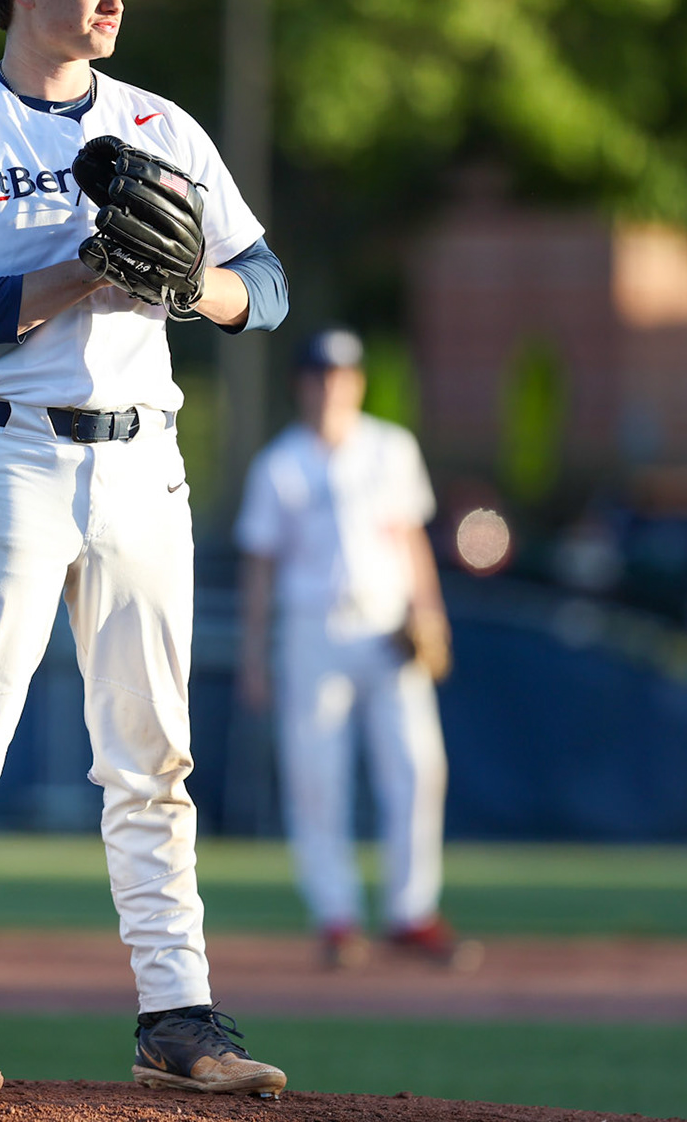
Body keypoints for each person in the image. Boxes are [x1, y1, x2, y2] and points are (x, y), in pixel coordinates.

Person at [0, 0, 290, 1103]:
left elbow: (266, 288)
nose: (112, 2)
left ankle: (177, 1014)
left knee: (153, 758)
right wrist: (84, 269)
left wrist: (190, 285)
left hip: (142, 463)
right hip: (9, 452)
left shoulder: (161, 123)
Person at [235, 328, 480, 972]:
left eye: (342, 374)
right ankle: (337, 916)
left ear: (358, 382)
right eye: (321, 375)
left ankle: (411, 910)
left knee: (417, 764)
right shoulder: (280, 463)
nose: (332, 386)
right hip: (312, 628)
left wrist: (431, 611)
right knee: (317, 775)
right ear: (302, 384)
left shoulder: (391, 448)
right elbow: (260, 565)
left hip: (387, 626)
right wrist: (254, 655)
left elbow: (410, 538)